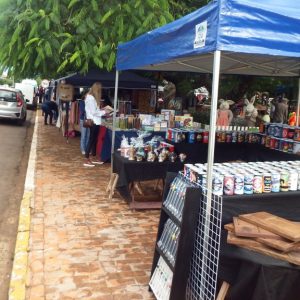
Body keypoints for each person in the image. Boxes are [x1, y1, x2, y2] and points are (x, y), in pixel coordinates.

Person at [84, 82, 108, 167]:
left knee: (94, 140)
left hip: (95, 121)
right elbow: (94, 112)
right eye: (100, 89)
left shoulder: (91, 98)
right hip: (94, 121)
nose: (101, 91)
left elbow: (94, 110)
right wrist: (104, 112)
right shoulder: (91, 98)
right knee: (92, 140)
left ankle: (92, 157)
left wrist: (102, 111)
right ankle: (87, 158)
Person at [79, 90, 90, 155]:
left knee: (88, 135)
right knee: (84, 135)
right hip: (83, 120)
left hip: (88, 120)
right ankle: (83, 149)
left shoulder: (90, 102)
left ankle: (86, 148)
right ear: (84, 95)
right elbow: (83, 111)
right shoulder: (82, 102)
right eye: (87, 94)